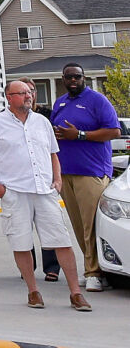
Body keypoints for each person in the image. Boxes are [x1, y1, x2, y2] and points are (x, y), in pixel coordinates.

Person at [0, 81, 89, 311]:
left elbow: (53, 154)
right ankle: (33, 291)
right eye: (23, 93)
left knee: (62, 240)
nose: (28, 97)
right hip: (15, 192)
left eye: (30, 92)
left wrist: (57, 180)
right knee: (21, 242)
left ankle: (76, 293)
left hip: (45, 190)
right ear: (9, 97)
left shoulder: (42, 122)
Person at [49, 62, 120, 293]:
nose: (73, 81)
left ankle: (93, 273)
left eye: (77, 77)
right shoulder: (60, 102)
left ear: (84, 77)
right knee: (78, 226)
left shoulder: (97, 100)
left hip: (91, 172)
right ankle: (95, 270)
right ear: (63, 79)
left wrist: (78, 134)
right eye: (68, 77)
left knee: (91, 226)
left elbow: (114, 131)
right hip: (65, 171)